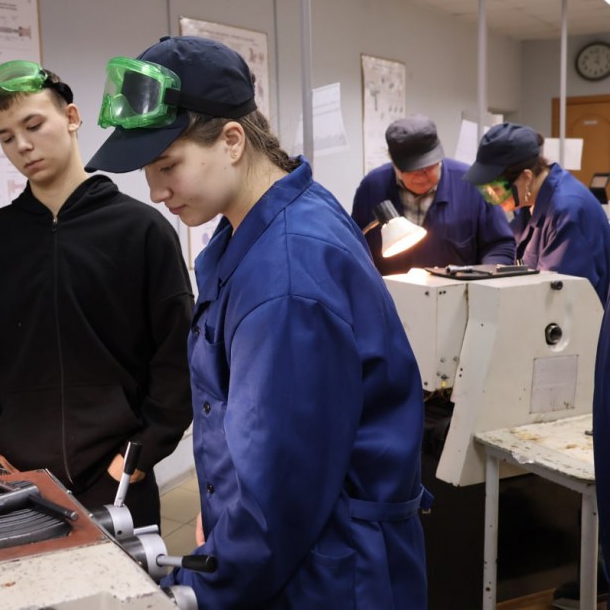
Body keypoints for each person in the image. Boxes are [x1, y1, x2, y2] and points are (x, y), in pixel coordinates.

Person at [86, 36, 429, 609]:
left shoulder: (286, 274)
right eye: (149, 170)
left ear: (232, 140)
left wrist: (196, 590)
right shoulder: (268, 221)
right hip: (305, 551)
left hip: (330, 574)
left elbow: (280, 490)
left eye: (168, 165)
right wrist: (222, 509)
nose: (156, 191)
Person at [0, 60, 194, 528]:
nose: (23, 145)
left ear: (72, 117)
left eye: (34, 125)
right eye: (7, 137)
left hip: (120, 477)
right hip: (18, 479)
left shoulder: (140, 230)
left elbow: (177, 348)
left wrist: (143, 450)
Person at [464, 122, 610, 304]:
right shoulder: (529, 203)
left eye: (496, 189)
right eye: (486, 190)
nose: (491, 198)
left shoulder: (568, 211)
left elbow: (556, 298)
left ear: (526, 177)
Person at [351, 115, 514, 275]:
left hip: (459, 291)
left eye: (428, 167)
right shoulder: (372, 188)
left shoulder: (472, 186)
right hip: (390, 291)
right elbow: (356, 248)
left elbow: (500, 246)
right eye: (412, 170)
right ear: (394, 164)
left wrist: (484, 281)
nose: (421, 175)